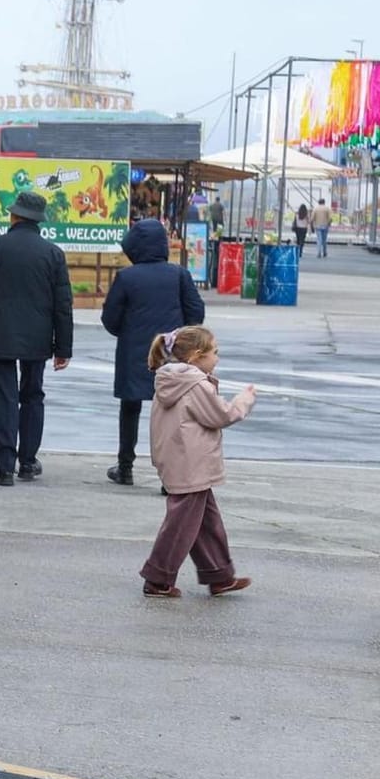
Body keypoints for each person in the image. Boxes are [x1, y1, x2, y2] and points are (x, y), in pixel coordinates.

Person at [0, 191, 73, 486]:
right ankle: (28, 461)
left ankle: (5, 466)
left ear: (14, 216)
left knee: (2, 398)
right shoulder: (53, 254)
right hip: (38, 339)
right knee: (33, 395)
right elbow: (63, 305)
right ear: (39, 220)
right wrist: (64, 347)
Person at [141, 326, 255, 598]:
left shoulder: (171, 380)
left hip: (179, 459)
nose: (217, 357)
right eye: (214, 352)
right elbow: (221, 415)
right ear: (196, 356)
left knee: (205, 522)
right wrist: (244, 400)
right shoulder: (195, 384)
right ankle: (158, 578)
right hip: (191, 461)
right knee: (182, 524)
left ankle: (220, 575)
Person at [101, 219, 206, 486]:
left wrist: (126, 333)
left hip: (133, 353)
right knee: (171, 412)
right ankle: (169, 476)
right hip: (172, 354)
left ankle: (125, 466)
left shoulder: (126, 277)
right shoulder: (179, 275)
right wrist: (181, 338)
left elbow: (110, 317)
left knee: (130, 408)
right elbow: (196, 312)